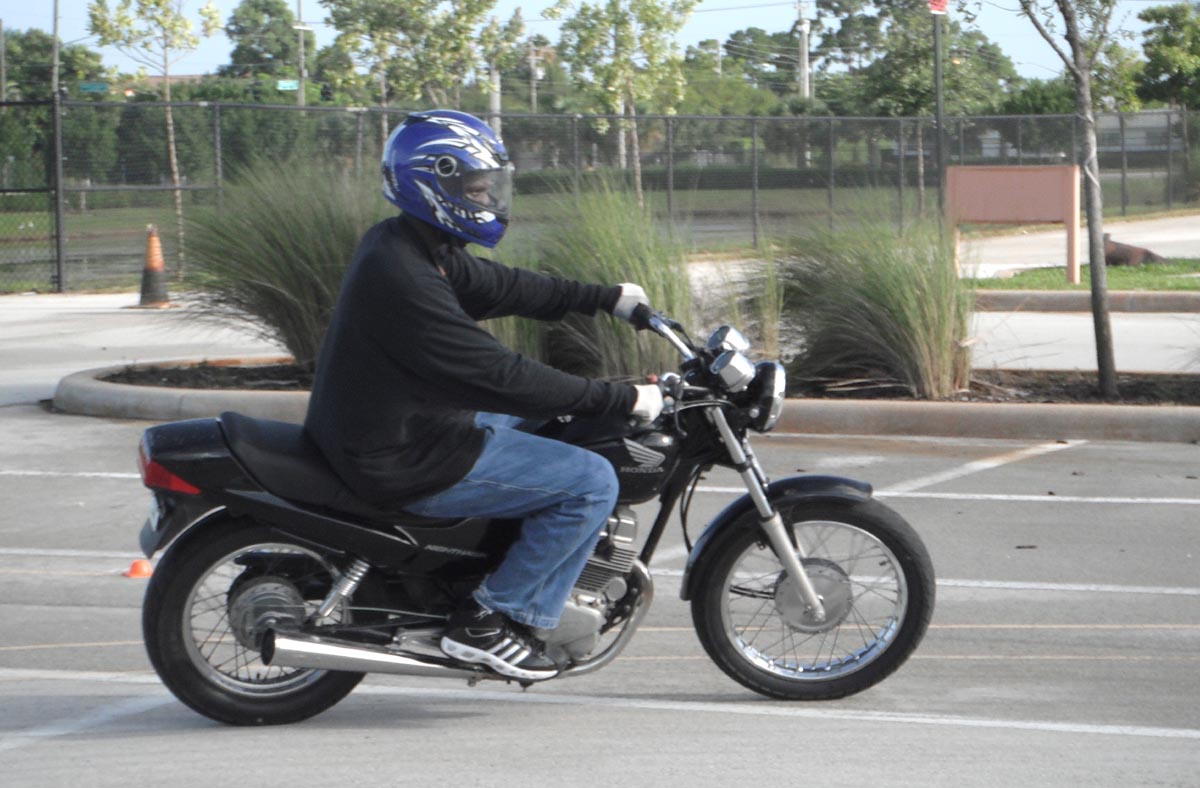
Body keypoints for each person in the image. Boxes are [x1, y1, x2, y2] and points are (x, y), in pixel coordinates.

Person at [304, 110, 664, 682]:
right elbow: (500, 374)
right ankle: (487, 618)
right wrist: (617, 400)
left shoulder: (410, 246)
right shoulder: (407, 278)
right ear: (434, 184)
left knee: (550, 427)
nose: (489, 198)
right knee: (592, 481)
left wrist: (602, 297)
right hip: (404, 457)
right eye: (475, 189)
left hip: (403, 429)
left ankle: (487, 569)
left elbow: (505, 285)